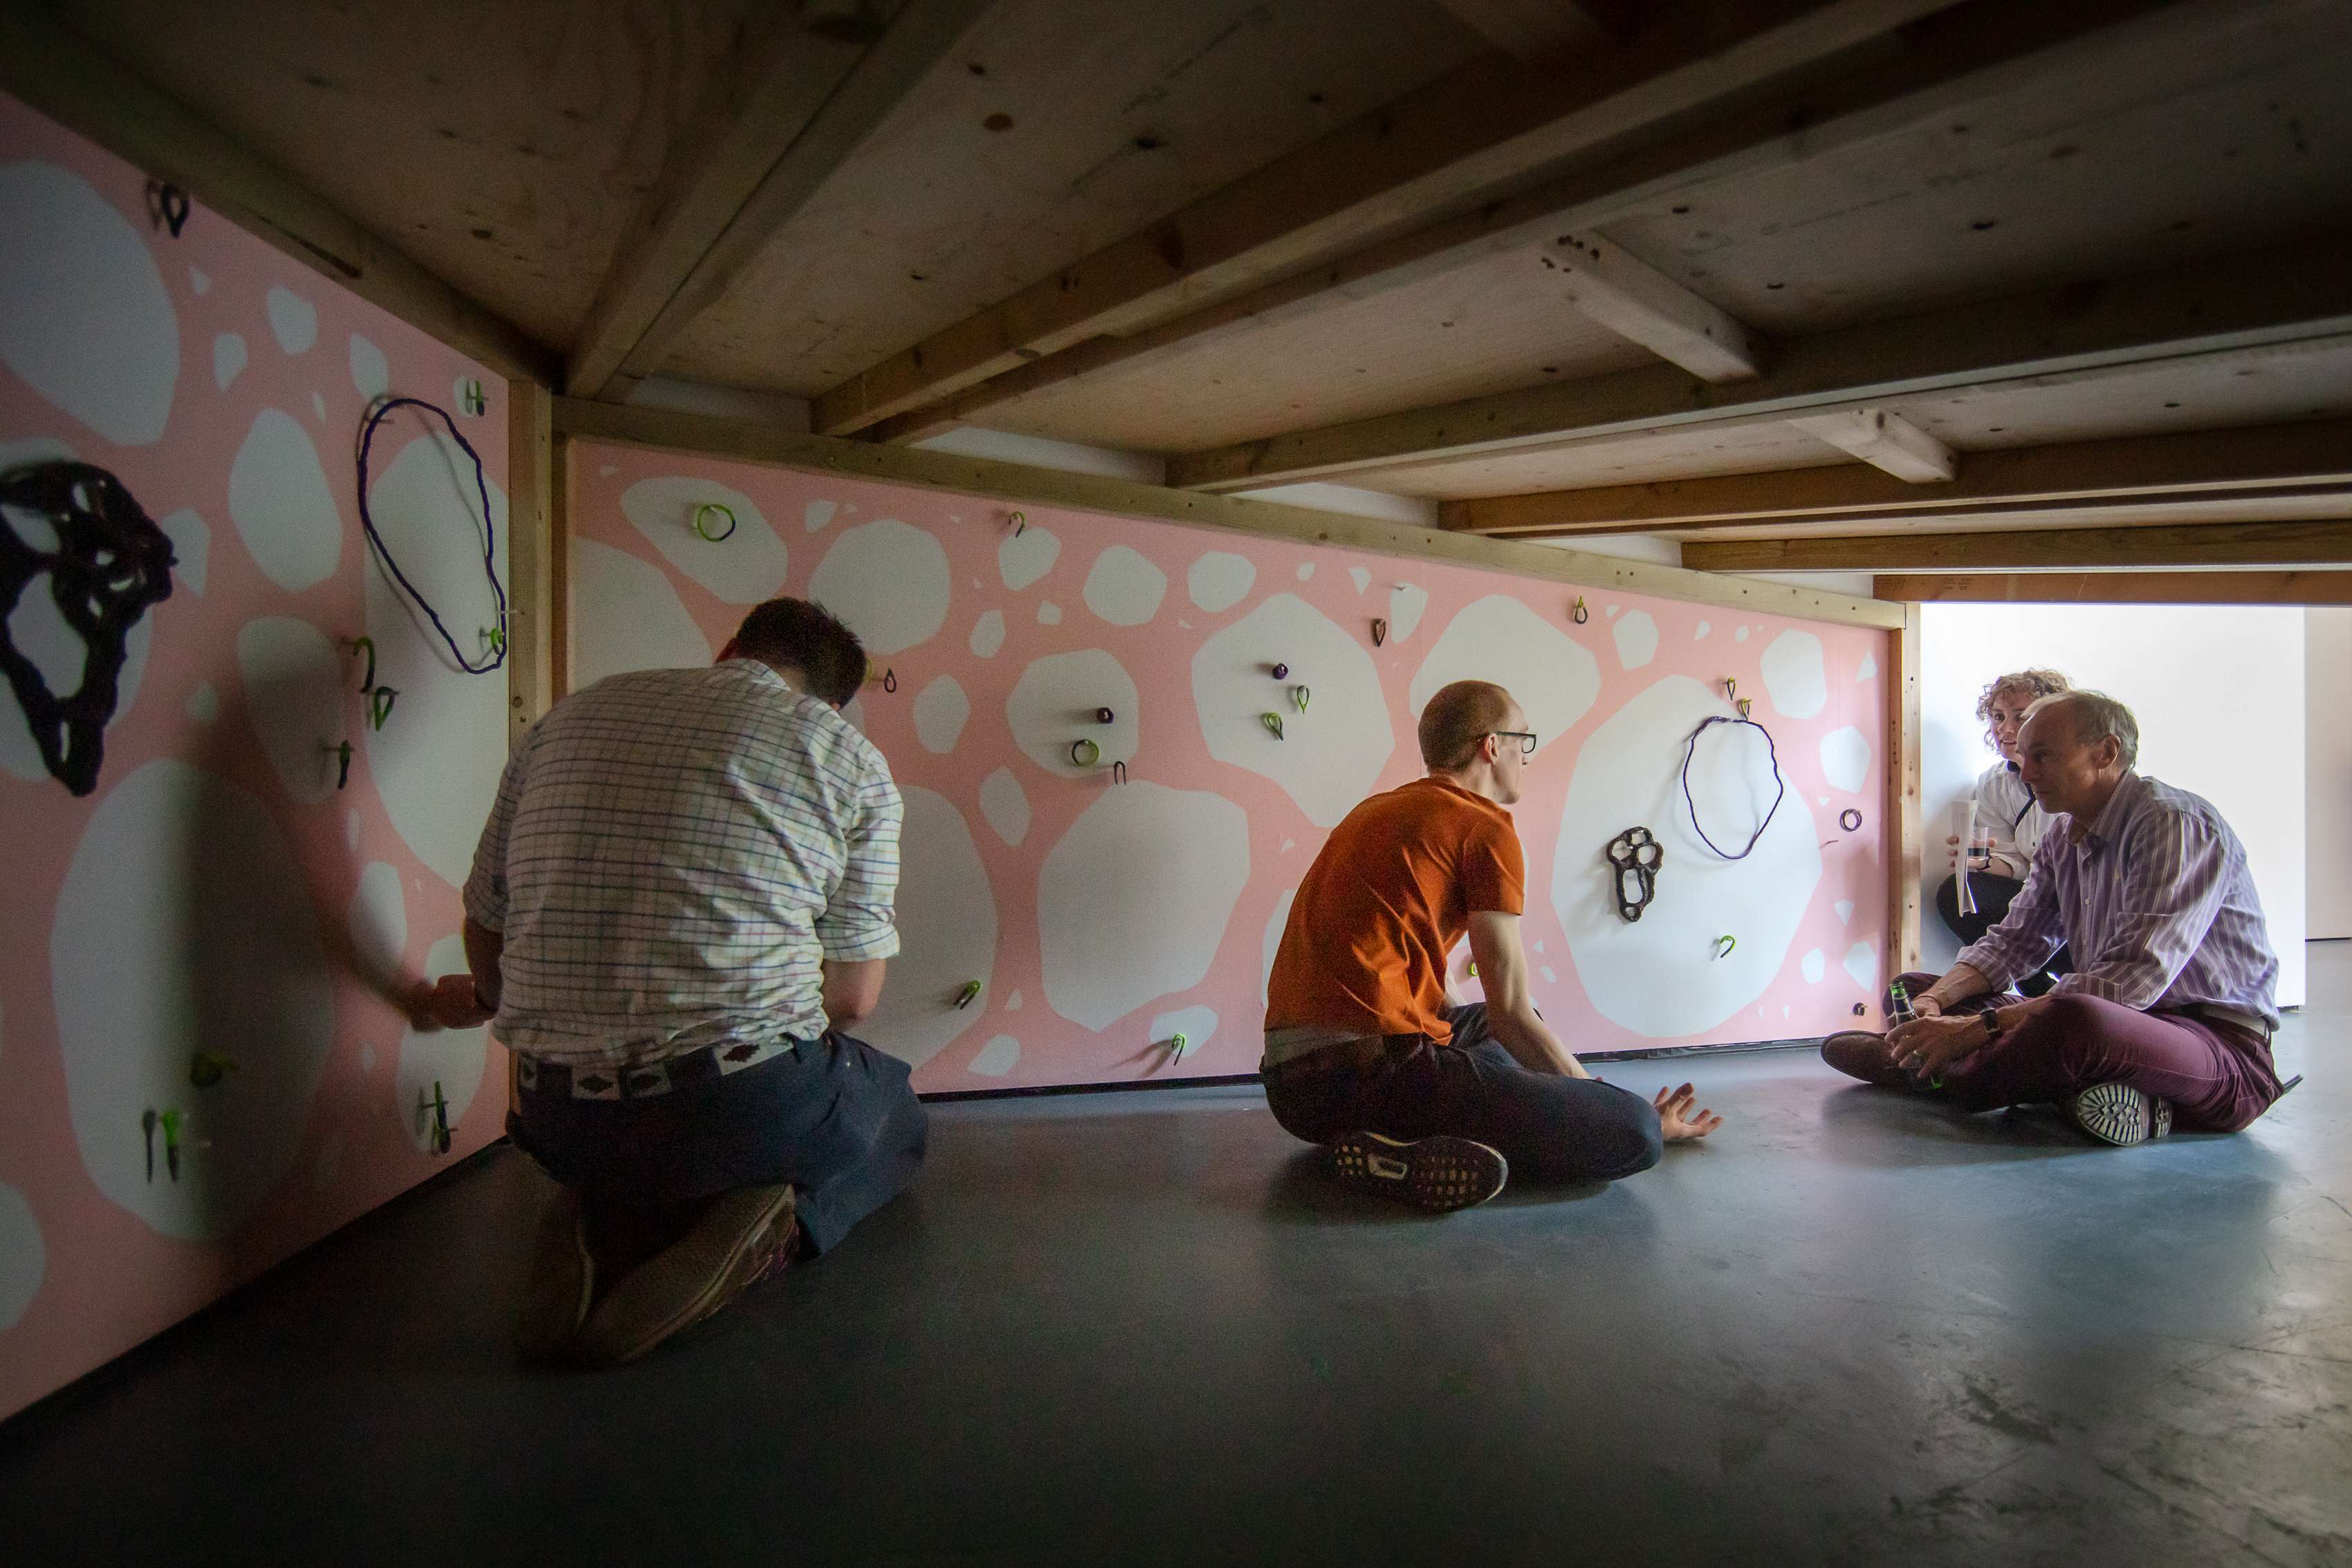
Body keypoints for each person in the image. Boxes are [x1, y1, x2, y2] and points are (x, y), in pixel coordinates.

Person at [419, 597, 924, 1366]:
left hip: (554, 1117)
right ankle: (772, 1229)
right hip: (733, 1106)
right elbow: (853, 1000)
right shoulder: (844, 755)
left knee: (648, 1138)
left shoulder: (568, 717)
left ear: (729, 648)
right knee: (889, 1105)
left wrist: (490, 998)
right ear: (830, 701)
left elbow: (487, 914)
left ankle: (598, 1205)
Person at [1260, 679, 1723, 1212]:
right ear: (1491, 745)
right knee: (1635, 1130)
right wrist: (1598, 1098)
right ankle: (1410, 1153)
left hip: (1293, 1093)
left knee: (1481, 1030)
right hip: (1371, 1074)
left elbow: (1444, 994)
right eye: (1523, 740)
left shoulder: (1378, 812)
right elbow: (1512, 1015)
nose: (1526, 757)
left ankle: (1400, 1141)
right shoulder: (1486, 827)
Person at [1821, 690, 2286, 1146]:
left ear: (2106, 752)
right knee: (1911, 988)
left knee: (2080, 1017)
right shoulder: (2063, 835)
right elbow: (2013, 942)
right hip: (2124, 1030)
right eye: (2023, 756)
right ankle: (2095, 1095)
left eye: (2042, 755)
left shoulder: (2174, 824)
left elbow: (2127, 986)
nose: (2026, 772)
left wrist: (1971, 1031)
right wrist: (1939, 1002)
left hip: (2218, 1048)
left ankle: (1925, 1074)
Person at [1938, 668, 2070, 995]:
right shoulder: (1995, 783)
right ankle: (2034, 995)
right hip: (2037, 889)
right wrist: (1980, 862)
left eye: (2021, 718)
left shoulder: (2073, 776)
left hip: (2080, 899)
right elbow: (2017, 863)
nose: (2006, 729)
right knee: (1955, 895)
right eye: (1998, 716)